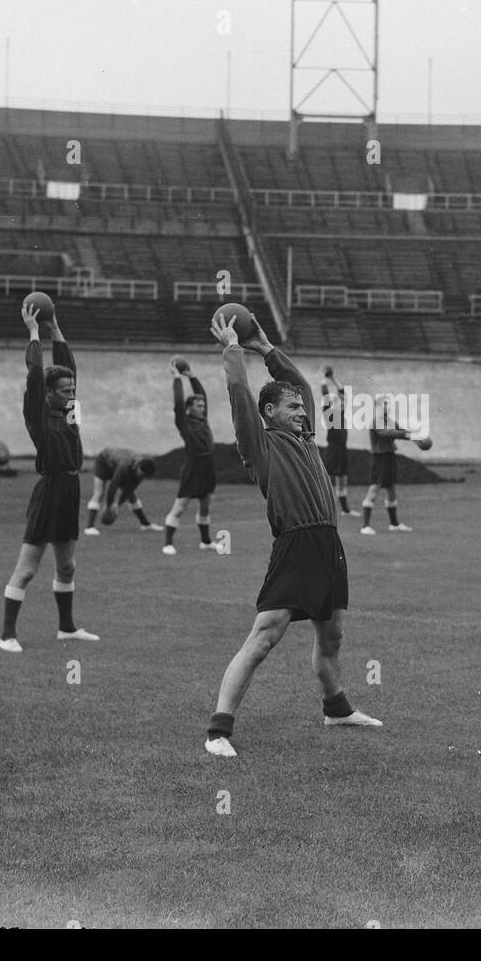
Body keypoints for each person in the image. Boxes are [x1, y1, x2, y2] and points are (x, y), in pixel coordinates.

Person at [204, 311, 381, 758]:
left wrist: (266, 348)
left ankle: (336, 708)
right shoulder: (258, 445)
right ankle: (218, 730)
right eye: (292, 408)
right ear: (270, 414)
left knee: (332, 636)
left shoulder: (306, 439)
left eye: (303, 408)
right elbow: (241, 395)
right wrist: (234, 350)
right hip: (295, 546)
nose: (302, 411)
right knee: (265, 635)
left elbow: (300, 384)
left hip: (329, 546)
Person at [0, 302, 99, 653]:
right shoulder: (37, 416)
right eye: (65, 390)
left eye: (72, 389)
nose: (72, 394)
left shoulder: (71, 412)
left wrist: (55, 327)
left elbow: (69, 367)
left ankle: (67, 628)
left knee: (68, 566)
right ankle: (7, 635)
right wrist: (34, 334)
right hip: (49, 490)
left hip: (71, 488)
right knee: (26, 571)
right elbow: (33, 376)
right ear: (49, 393)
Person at [162, 358, 217, 554]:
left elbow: (201, 394)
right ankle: (168, 543)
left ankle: (206, 541)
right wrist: (177, 378)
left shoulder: (203, 420)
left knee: (205, 507)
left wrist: (192, 376)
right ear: (189, 409)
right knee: (179, 507)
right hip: (193, 466)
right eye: (198, 405)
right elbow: (178, 402)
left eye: (203, 406)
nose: (202, 407)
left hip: (208, 466)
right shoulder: (184, 422)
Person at [359, 396, 416, 535]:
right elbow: (387, 433)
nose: (387, 407)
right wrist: (408, 436)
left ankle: (394, 524)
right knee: (374, 489)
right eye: (384, 404)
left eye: (387, 404)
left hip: (390, 456)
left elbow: (399, 429)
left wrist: (414, 434)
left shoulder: (388, 420)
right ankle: (365, 526)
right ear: (377, 406)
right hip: (380, 458)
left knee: (391, 490)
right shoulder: (375, 421)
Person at [84, 448, 159, 535]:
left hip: (116, 464)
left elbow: (130, 489)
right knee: (99, 493)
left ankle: (145, 524)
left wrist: (117, 505)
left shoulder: (142, 468)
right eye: (141, 474)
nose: (141, 476)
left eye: (143, 476)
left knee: (132, 495)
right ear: (138, 467)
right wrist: (109, 506)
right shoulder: (125, 465)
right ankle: (89, 527)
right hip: (104, 462)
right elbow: (113, 486)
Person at [321, 366, 360, 516]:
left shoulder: (342, 412)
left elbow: (342, 391)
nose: (342, 403)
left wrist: (333, 378)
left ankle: (345, 510)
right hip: (332, 449)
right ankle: (322, 508)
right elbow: (324, 392)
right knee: (325, 480)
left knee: (342, 478)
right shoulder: (328, 413)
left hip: (342, 449)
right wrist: (324, 378)